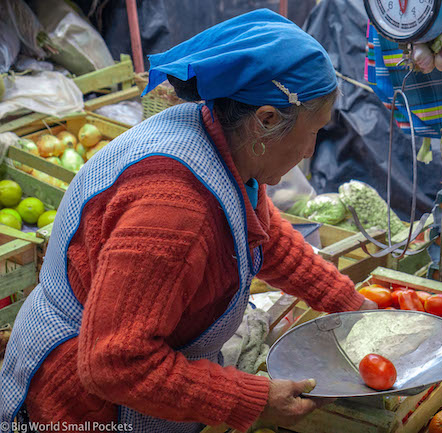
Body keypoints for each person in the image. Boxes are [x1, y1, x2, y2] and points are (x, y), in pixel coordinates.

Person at [0, 9, 377, 432]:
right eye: (314, 132)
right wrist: (252, 400)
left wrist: (350, 305)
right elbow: (114, 363)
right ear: (266, 120)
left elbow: (260, 234)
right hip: (88, 408)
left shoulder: (219, 139)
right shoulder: (176, 211)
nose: (310, 152)